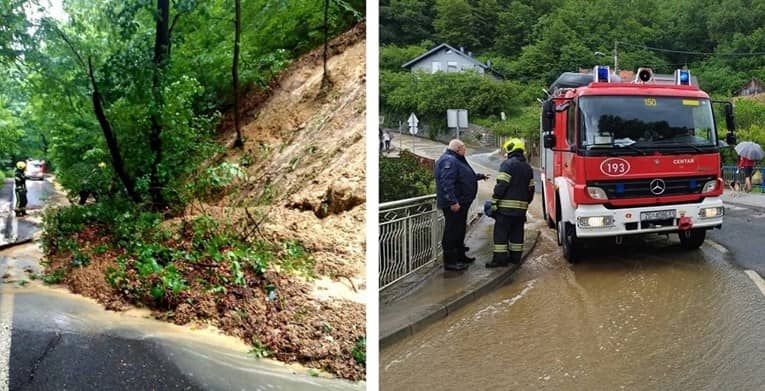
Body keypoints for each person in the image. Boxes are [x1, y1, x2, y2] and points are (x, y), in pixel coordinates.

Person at [435, 139, 488, 271]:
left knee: (459, 230)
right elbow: (446, 183)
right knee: (452, 232)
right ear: (458, 148)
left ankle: (460, 256)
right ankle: (450, 261)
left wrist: (479, 176)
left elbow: (464, 177)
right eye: (464, 148)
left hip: (461, 203)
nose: (465, 151)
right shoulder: (450, 160)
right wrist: (452, 201)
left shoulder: (456, 159)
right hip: (455, 204)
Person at [486, 138, 534, 268]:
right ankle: (515, 258)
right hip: (521, 210)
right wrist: (524, 203)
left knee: (501, 234)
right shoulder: (528, 167)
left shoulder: (507, 164)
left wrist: (495, 201)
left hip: (505, 210)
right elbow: (531, 190)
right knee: (517, 234)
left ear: (510, 149)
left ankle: (500, 260)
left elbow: (502, 185)